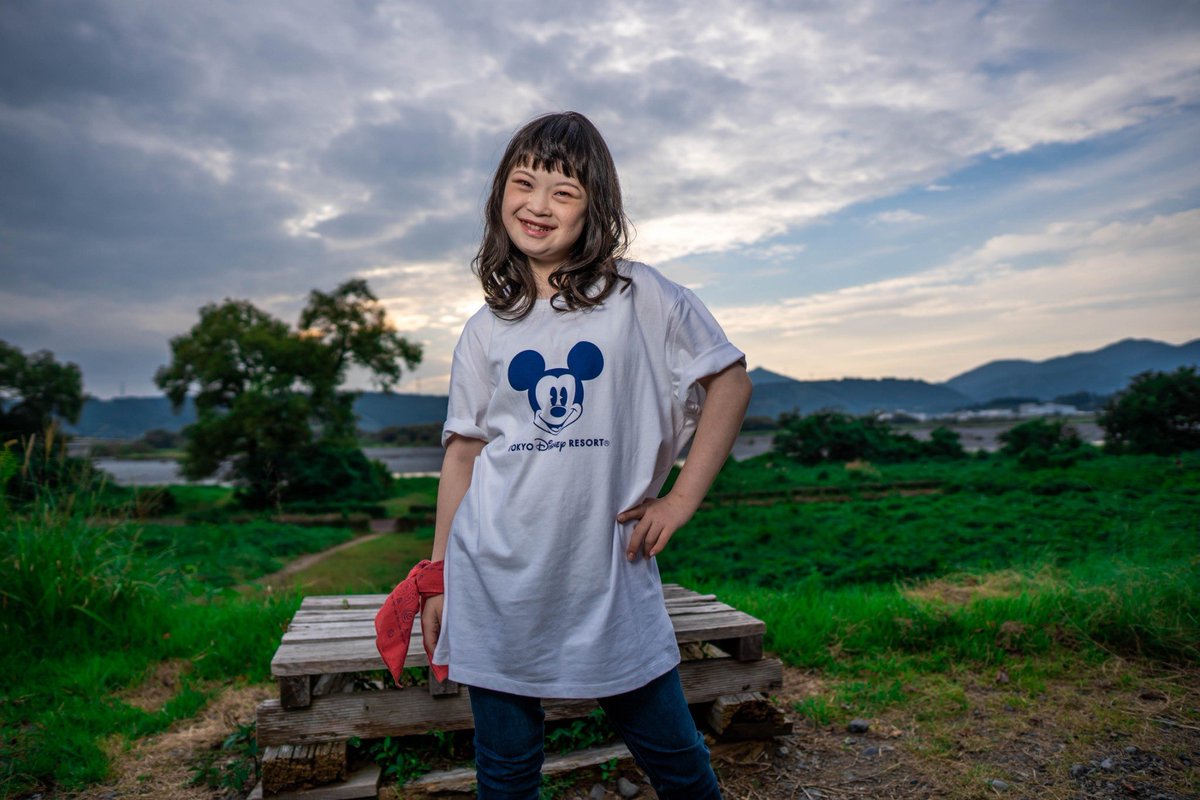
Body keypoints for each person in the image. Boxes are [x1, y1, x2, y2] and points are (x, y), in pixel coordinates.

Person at [421, 111, 752, 800]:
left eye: (563, 191)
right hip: (494, 585)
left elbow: (729, 379)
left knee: (679, 764)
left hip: (606, 581)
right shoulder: (486, 331)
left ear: (594, 207)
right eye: (523, 182)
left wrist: (682, 496)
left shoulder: (640, 296)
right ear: (498, 195)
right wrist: (437, 575)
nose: (538, 205)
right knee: (506, 775)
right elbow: (463, 458)